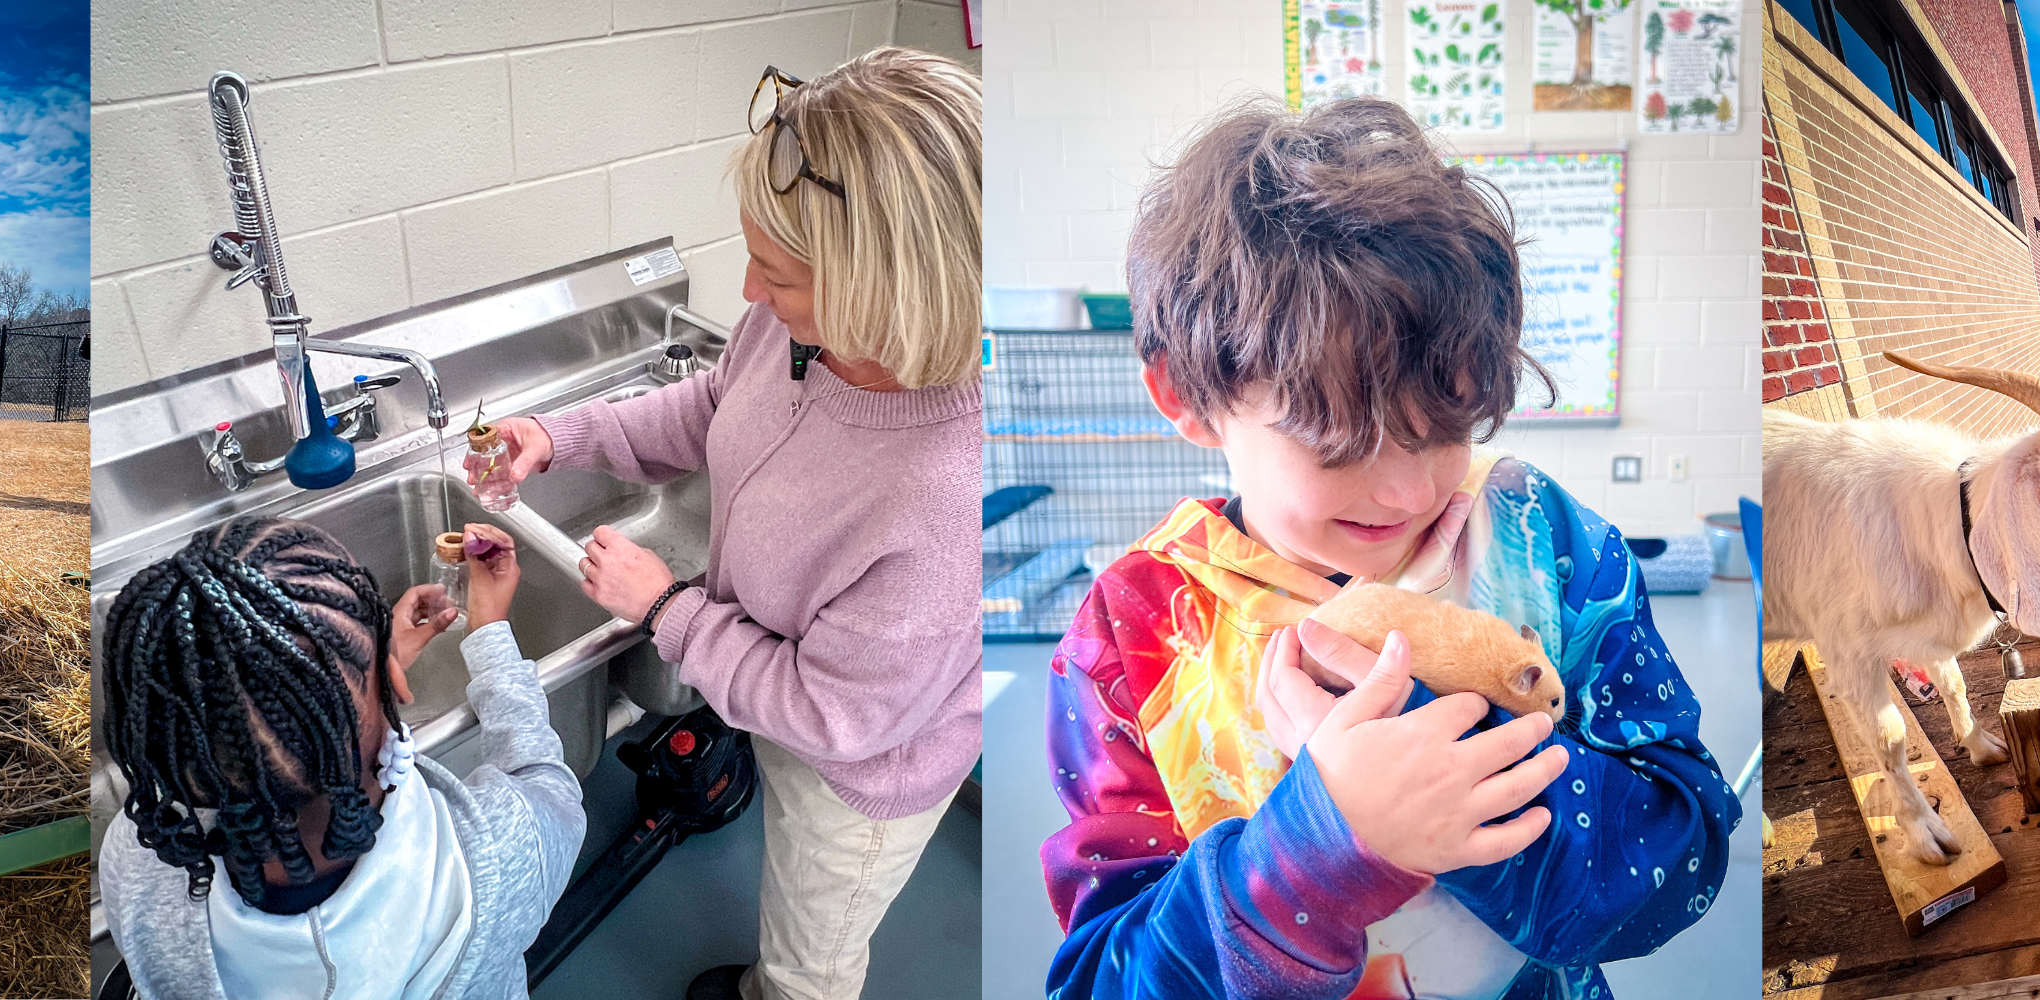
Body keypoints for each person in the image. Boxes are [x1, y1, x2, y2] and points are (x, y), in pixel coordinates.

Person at [1037, 96, 1735, 1000]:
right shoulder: (1130, 637)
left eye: (1446, 427)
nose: (1411, 492)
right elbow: (1099, 980)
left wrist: (1453, 768)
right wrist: (1317, 850)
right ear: (1188, 396)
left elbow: (1687, 854)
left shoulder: (1546, 542)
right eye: (1338, 441)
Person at [475, 46, 983, 1000]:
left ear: (887, 288)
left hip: (864, 770)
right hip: (785, 691)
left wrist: (667, 607)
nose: (748, 294)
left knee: (812, 950)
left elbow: (831, 714)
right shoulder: (805, 334)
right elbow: (711, 407)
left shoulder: (944, 498)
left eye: (776, 274)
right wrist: (559, 434)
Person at [97, 519, 581, 1000]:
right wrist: (490, 633)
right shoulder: (502, 855)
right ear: (393, 682)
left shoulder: (136, 866)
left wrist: (343, 680)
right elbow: (543, 780)